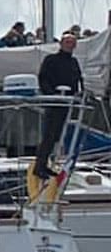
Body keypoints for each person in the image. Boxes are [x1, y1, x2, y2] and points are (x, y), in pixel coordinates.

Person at [33, 32, 83, 183]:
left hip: (67, 101)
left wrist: (79, 94)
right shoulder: (51, 60)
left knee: (57, 136)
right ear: (61, 44)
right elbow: (43, 78)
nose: (70, 45)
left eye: (72, 42)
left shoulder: (73, 62)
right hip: (55, 101)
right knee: (49, 134)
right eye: (67, 42)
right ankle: (39, 166)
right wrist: (51, 94)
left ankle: (47, 164)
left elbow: (78, 80)